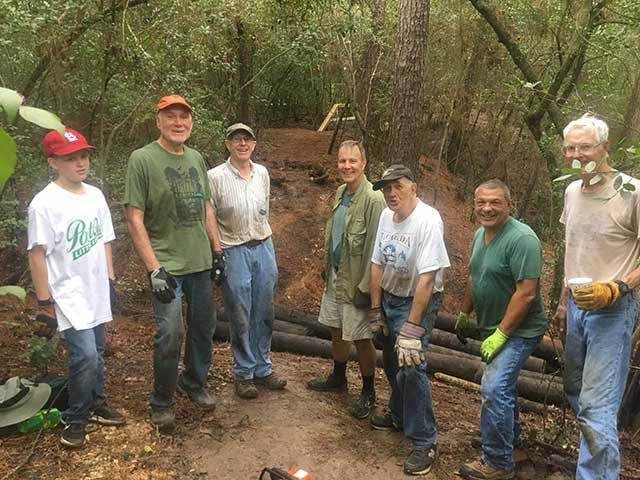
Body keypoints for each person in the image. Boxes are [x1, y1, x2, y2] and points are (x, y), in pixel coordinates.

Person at [124, 95, 222, 431]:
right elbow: (134, 218)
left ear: (191, 122)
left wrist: (217, 251)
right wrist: (154, 269)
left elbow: (206, 207)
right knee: (170, 333)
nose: (178, 123)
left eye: (184, 117)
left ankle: (194, 382)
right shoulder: (142, 159)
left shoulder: (196, 158)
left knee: (203, 328)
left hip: (200, 262)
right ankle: (162, 401)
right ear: (159, 122)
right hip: (167, 266)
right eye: (171, 117)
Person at [552, 114, 640, 479]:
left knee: (596, 405)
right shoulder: (572, 190)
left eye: (585, 147)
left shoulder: (631, 192)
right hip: (576, 305)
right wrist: (562, 302)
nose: (577, 154)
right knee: (577, 393)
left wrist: (619, 286)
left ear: (604, 149)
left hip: (614, 309)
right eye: (571, 148)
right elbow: (574, 249)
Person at [28, 128, 125, 448]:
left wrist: (110, 281)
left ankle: (96, 403)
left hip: (95, 288)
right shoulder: (44, 203)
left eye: (84, 155)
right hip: (67, 293)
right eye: (71, 158)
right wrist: (45, 302)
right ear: (53, 162)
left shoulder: (95, 195)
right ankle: (75, 417)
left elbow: (105, 240)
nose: (81, 163)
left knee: (96, 352)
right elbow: (37, 254)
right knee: (84, 356)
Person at [456, 179, 547, 480]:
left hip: (520, 330)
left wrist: (502, 334)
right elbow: (474, 275)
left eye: (495, 202)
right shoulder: (479, 234)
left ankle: (497, 463)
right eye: (481, 202)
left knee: (493, 389)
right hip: (490, 326)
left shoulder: (523, 239)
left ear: (509, 204)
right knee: (503, 388)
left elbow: (526, 293)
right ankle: (513, 447)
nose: (487, 208)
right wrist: (464, 312)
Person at [367, 164, 450, 476]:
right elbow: (377, 264)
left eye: (397, 186)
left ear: (413, 187)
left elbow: (428, 278)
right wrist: (376, 311)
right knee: (391, 360)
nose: (391, 193)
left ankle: (424, 440)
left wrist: (413, 327)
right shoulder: (386, 216)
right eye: (386, 188)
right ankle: (399, 414)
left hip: (418, 300)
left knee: (412, 365)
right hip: (389, 295)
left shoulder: (428, 220)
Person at [306, 140, 386, 419]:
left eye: (353, 161)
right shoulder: (341, 192)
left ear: (364, 163)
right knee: (335, 327)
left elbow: (376, 246)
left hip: (358, 281)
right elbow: (335, 234)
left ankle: (368, 391)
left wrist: (367, 288)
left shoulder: (374, 199)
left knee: (362, 337)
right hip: (336, 275)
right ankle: (338, 376)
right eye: (342, 161)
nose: (347, 166)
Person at [207, 123, 286, 399]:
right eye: (236, 139)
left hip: (264, 245)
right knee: (240, 312)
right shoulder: (214, 176)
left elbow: (263, 209)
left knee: (265, 310)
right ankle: (244, 372)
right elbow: (209, 214)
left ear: (254, 144)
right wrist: (216, 251)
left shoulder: (261, 173)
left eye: (247, 140)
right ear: (228, 144)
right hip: (233, 249)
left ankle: (263, 368)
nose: (243, 144)